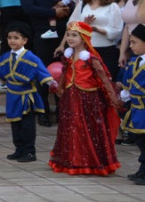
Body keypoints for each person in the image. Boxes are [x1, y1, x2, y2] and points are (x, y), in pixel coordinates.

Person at [49, 21, 122, 176]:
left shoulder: (91, 58)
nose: (70, 38)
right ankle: (72, 160)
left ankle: (90, 161)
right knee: (71, 127)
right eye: (68, 35)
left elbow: (103, 78)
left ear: (84, 38)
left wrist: (112, 97)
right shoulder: (68, 57)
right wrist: (59, 87)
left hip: (88, 99)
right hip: (70, 97)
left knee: (87, 129)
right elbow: (64, 75)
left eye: (74, 35)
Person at [0, 22, 56, 163]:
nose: (12, 41)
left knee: (27, 124)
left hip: (26, 96)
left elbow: (43, 73)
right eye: (10, 37)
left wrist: (53, 84)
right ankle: (19, 149)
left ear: (25, 40)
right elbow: (1, 76)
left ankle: (29, 151)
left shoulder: (32, 58)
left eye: (16, 38)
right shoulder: (4, 58)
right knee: (15, 124)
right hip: (11, 95)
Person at [19, 0, 67, 126]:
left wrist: (60, 11)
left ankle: (62, 111)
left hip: (61, 36)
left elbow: (68, 4)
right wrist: (53, 12)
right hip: (41, 36)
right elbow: (29, 9)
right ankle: (43, 112)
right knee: (43, 75)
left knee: (62, 74)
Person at [56, 0, 122, 87]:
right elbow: (71, 25)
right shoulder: (82, 5)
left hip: (105, 51)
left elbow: (116, 31)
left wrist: (96, 29)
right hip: (84, 50)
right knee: (85, 84)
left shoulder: (112, 6)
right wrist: (84, 25)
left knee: (105, 85)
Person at [120, 24, 145, 183]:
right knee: (138, 138)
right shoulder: (134, 61)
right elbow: (128, 82)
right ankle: (142, 170)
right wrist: (124, 95)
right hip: (136, 109)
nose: (131, 46)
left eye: (134, 42)